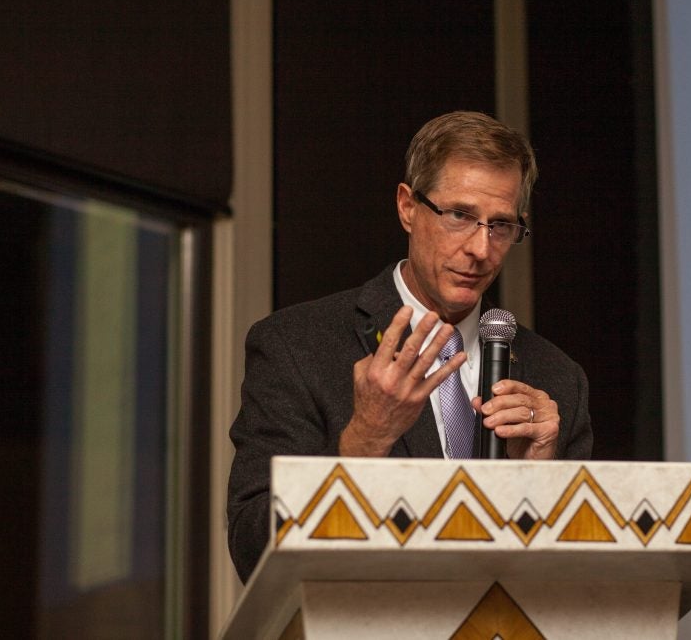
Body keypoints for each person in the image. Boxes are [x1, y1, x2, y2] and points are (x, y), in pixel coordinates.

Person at [226, 111, 592, 582]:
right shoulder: (296, 345)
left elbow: (584, 580)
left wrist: (544, 484)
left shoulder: (558, 378)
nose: (481, 250)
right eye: (460, 216)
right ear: (407, 207)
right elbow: (252, 549)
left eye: (501, 225)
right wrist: (365, 441)